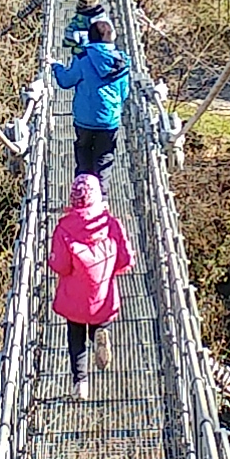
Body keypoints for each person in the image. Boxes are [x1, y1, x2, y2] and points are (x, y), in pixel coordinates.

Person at [46, 171, 134, 400]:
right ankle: (99, 336)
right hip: (102, 295)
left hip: (74, 298)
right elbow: (126, 260)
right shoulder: (111, 224)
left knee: (76, 338)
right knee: (97, 321)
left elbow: (61, 266)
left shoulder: (64, 227)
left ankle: (80, 383)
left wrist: (52, 259)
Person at [51, 10, 131, 178]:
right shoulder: (122, 63)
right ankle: (100, 198)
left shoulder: (82, 58)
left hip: (84, 120)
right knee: (104, 160)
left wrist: (56, 66)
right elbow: (124, 94)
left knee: (83, 158)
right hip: (109, 121)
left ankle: (82, 196)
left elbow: (66, 82)